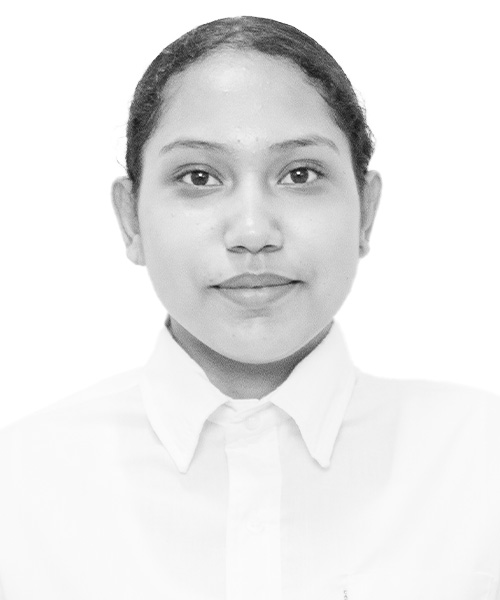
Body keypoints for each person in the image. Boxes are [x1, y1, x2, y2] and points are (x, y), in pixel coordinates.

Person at [0, 15, 499, 600]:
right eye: (199, 177)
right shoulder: (21, 487)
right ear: (131, 219)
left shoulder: (481, 461)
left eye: (300, 174)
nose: (253, 232)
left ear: (365, 212)